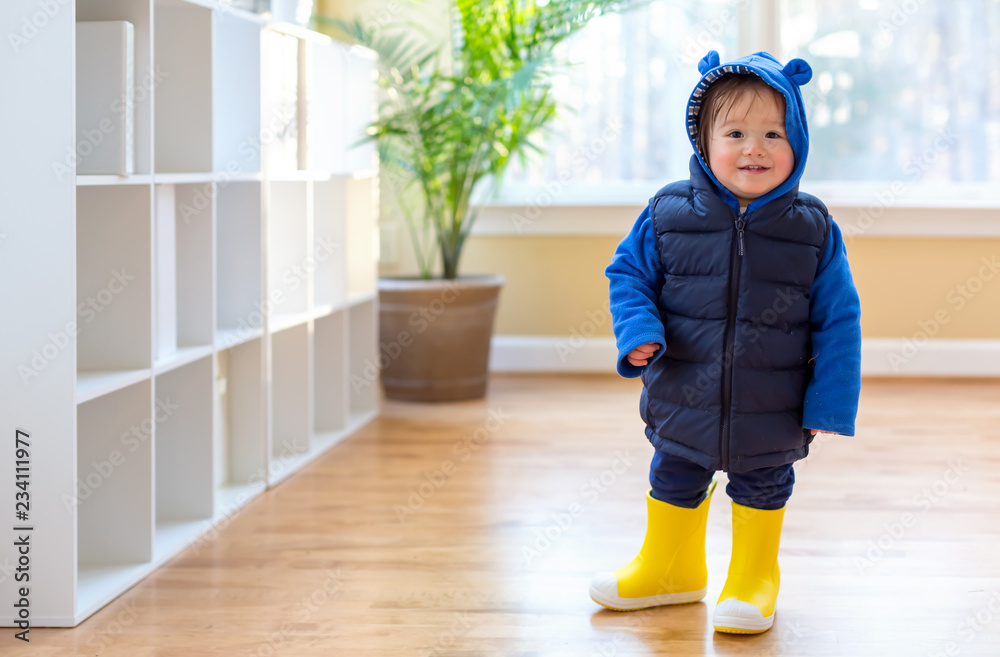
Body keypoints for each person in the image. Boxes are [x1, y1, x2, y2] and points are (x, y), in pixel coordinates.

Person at [590, 50, 862, 635]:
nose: (754, 148)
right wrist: (638, 331)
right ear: (704, 140)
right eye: (735, 132)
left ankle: (753, 576)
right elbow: (628, 274)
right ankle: (670, 568)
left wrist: (830, 403)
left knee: (764, 482)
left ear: (799, 142)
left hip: (774, 403)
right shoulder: (667, 214)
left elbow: (840, 318)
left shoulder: (812, 228)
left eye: (773, 133)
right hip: (684, 388)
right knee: (673, 473)